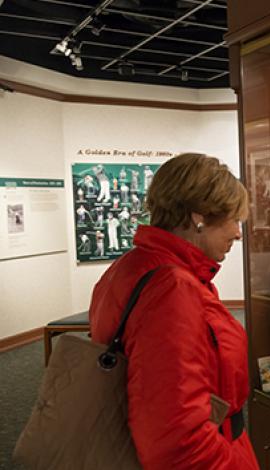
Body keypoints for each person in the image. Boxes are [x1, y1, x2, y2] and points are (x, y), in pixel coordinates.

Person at [89, 153, 258, 470]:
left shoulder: (135, 267)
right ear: (199, 218)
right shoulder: (172, 288)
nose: (238, 233)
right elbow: (178, 440)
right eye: (233, 219)